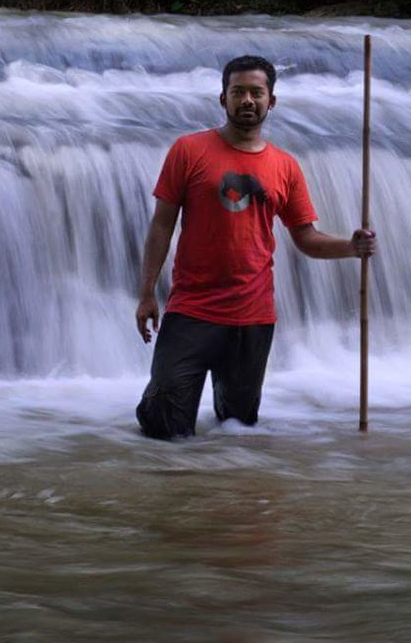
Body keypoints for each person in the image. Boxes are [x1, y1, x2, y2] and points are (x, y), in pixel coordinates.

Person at [134, 54, 377, 439]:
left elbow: (307, 239)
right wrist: (147, 293)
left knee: (237, 430)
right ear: (223, 99)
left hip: (252, 317)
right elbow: (161, 225)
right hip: (191, 311)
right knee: (164, 425)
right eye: (238, 92)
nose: (247, 100)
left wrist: (351, 246)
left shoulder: (285, 167)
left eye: (256, 92)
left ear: (271, 101)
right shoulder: (188, 151)